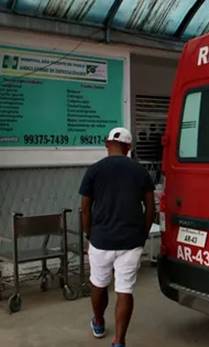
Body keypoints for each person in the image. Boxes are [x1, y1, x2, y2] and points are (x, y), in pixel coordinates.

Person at [79, 127, 155, 347]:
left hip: (101, 239)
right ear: (128, 147)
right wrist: (143, 234)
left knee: (99, 283)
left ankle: (99, 322)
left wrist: (89, 234)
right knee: (125, 290)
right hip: (131, 241)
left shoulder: (94, 170)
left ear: (106, 144)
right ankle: (119, 341)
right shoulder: (140, 171)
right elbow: (150, 208)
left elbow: (85, 208)